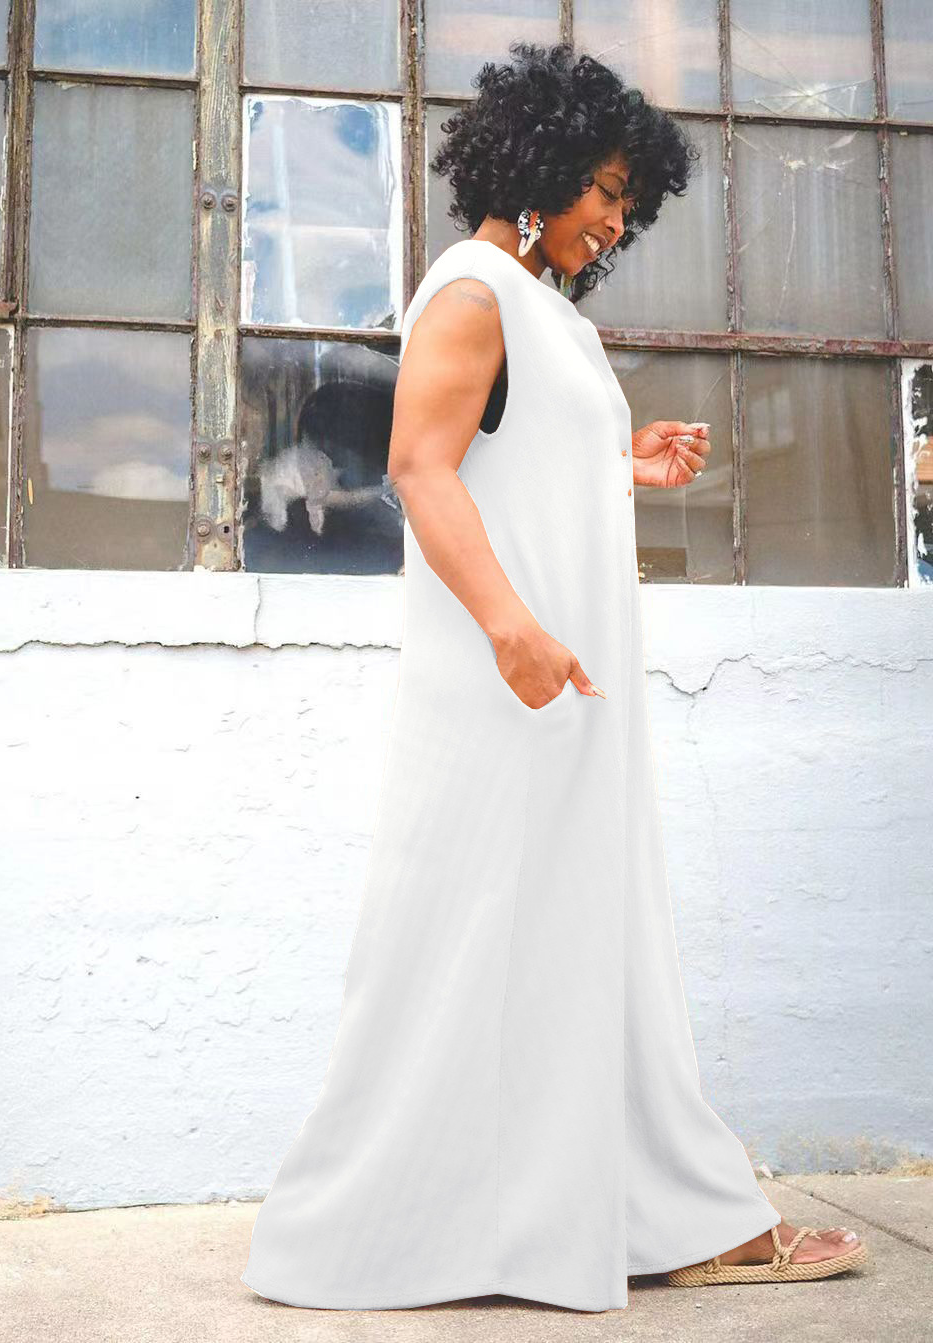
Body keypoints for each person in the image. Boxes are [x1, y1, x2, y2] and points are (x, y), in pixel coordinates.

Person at [240, 42, 867, 1313]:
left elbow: (509, 449)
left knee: (579, 941)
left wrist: (626, 461)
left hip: (565, 689)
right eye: (610, 190)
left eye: (631, 200)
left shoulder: (543, 307)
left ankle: (638, 1208)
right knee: (468, 937)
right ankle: (380, 1222)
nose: (619, 221)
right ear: (543, 163)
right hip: (509, 683)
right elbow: (420, 467)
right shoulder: (474, 289)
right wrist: (512, 630)